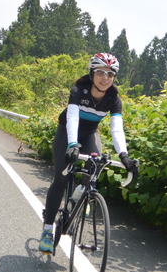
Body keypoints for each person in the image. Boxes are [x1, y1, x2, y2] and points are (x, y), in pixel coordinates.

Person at [38, 53, 138, 254]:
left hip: (90, 133)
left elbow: (117, 129)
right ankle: (48, 230)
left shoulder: (113, 98)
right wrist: (73, 144)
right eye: (101, 72)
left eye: (110, 74)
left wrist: (124, 155)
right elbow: (73, 117)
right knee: (61, 178)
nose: (105, 78)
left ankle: (81, 197)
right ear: (92, 73)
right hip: (68, 131)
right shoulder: (79, 90)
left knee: (94, 168)